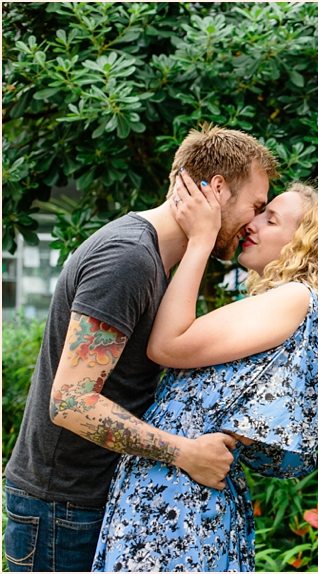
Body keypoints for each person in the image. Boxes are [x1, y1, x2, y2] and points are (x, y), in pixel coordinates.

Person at [3, 125, 279, 572]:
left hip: (85, 501)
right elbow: (70, 403)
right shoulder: (128, 258)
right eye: (256, 206)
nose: (253, 222)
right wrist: (184, 452)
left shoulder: (156, 259)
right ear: (218, 189)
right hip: (62, 509)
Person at [91, 176, 318, 571]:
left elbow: (167, 347)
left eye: (271, 220)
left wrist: (201, 242)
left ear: (307, 244)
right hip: (178, 489)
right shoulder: (278, 303)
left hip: (180, 500)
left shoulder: (294, 298)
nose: (252, 224)